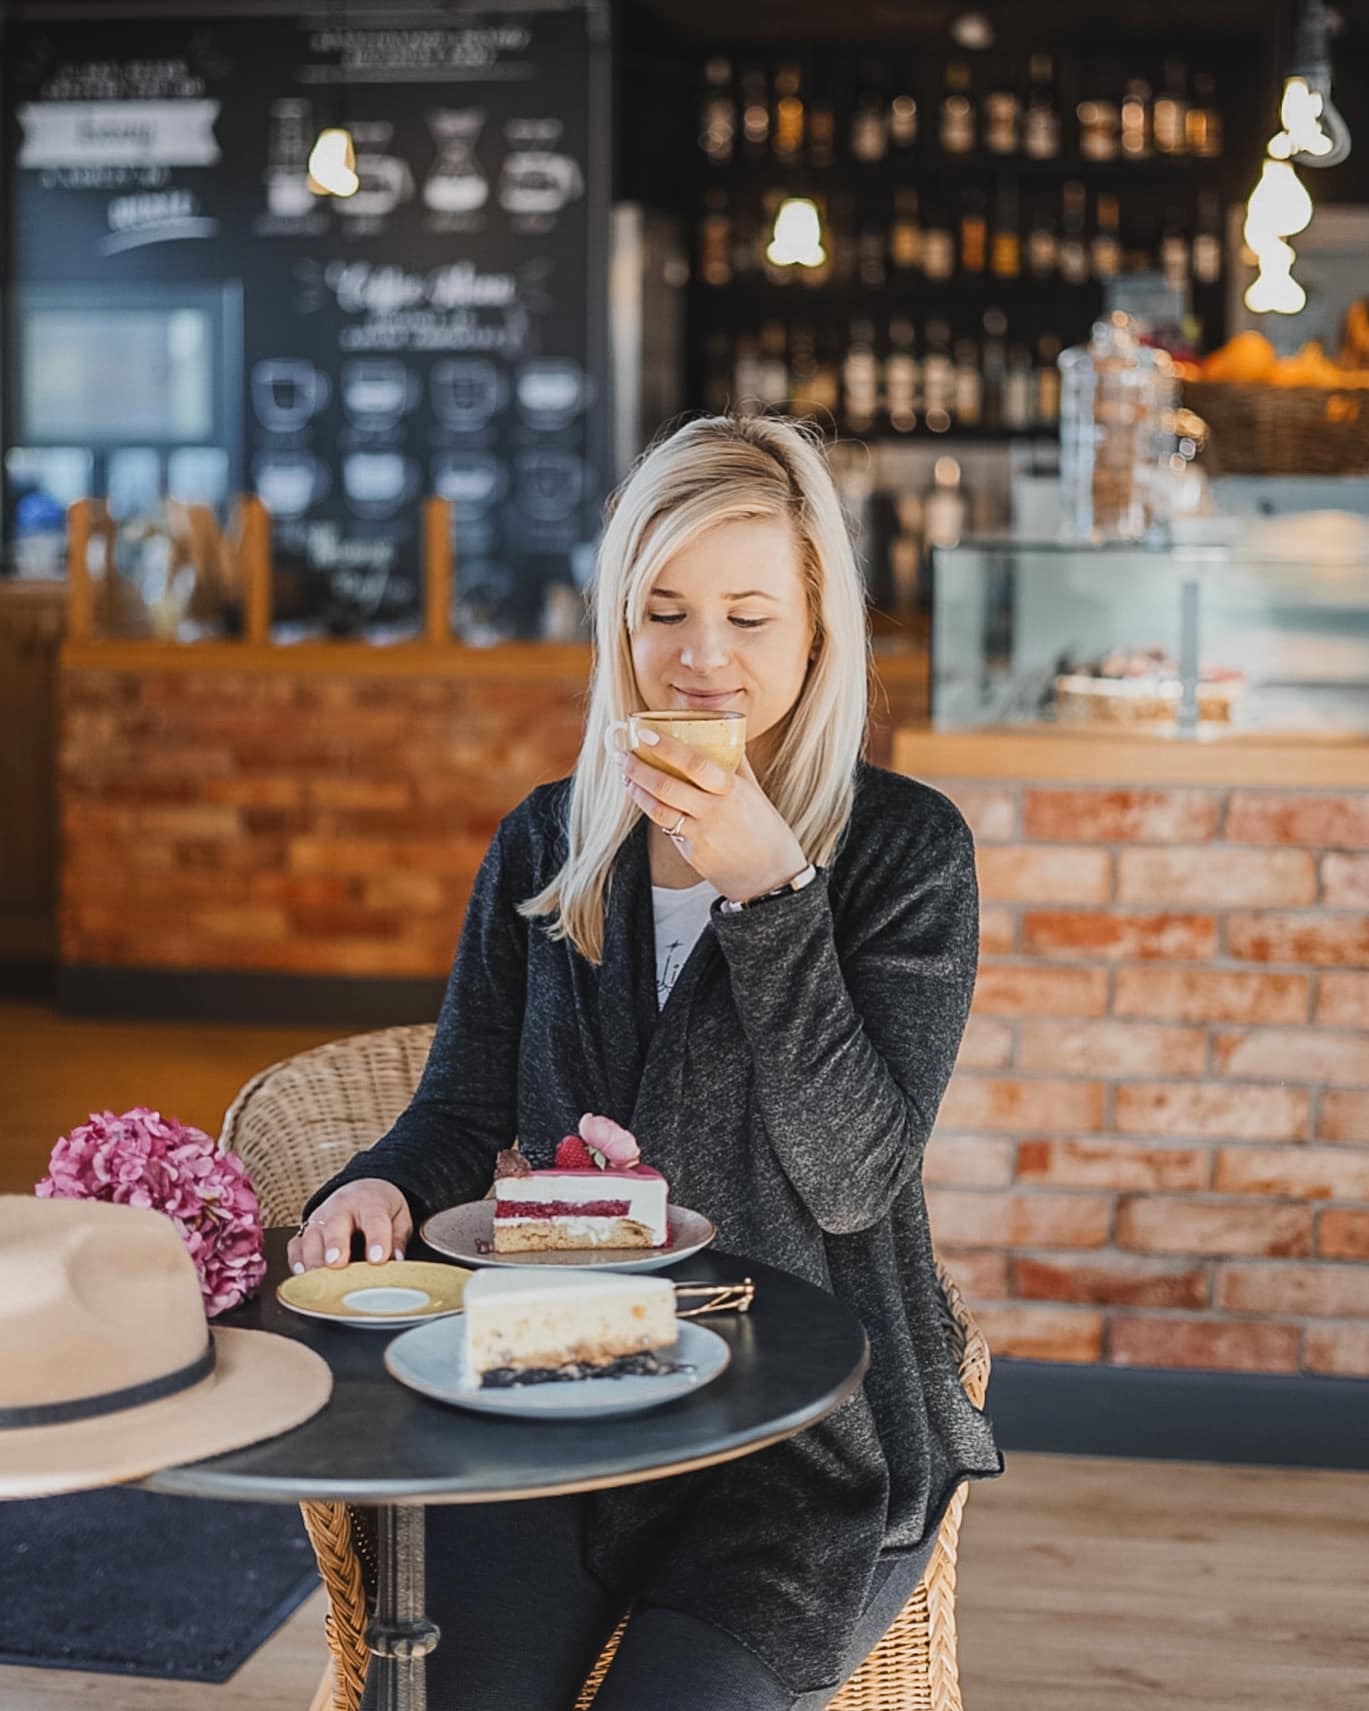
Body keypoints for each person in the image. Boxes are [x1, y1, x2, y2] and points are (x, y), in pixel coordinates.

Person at [292, 413, 1005, 1710]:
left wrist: (771, 893)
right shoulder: (548, 843)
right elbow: (462, 1108)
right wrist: (378, 1185)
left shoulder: (904, 857)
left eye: (747, 616)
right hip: (563, 1386)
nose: (699, 658)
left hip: (805, 1437)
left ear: (815, 634)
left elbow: (855, 1181)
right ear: (617, 625)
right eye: (662, 611)